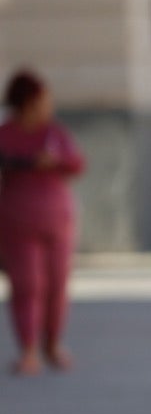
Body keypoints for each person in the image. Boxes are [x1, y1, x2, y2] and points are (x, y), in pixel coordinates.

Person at [0, 68, 85, 375]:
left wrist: (57, 161)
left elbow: (77, 163)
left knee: (57, 284)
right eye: (42, 100)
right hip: (17, 221)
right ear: (26, 102)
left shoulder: (55, 133)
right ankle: (29, 348)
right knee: (28, 285)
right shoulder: (6, 133)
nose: (47, 106)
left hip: (57, 220)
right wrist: (25, 164)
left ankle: (52, 343)